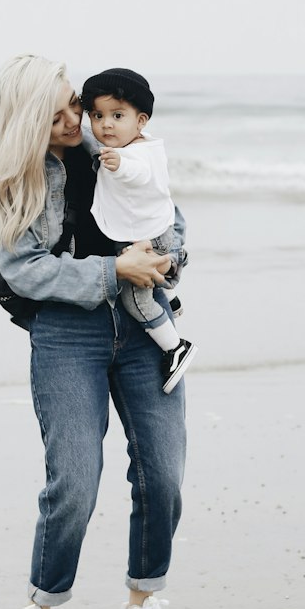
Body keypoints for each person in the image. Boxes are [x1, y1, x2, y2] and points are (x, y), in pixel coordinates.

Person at [0, 54, 191, 609]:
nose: (76, 120)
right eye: (56, 112)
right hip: (67, 334)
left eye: (76, 105)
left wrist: (167, 259)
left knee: (163, 474)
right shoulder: (7, 182)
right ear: (24, 120)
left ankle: (142, 605)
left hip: (145, 325)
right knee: (74, 482)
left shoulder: (113, 146)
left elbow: (166, 211)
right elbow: (24, 269)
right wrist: (113, 268)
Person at [80, 67, 197, 394]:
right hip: (153, 227)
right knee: (155, 268)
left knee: (135, 298)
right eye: (97, 115)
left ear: (141, 120)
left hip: (148, 236)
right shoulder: (137, 142)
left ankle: (174, 347)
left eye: (117, 115)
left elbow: (140, 173)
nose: (105, 124)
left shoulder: (135, 156)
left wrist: (120, 165)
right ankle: (171, 300)